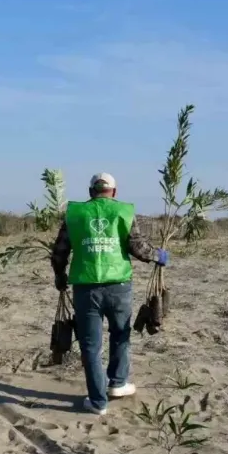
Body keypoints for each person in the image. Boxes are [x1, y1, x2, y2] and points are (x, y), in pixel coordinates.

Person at [50, 173, 169, 416]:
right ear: (114, 192)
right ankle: (117, 383)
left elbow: (60, 251)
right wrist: (159, 256)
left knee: (91, 346)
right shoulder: (123, 212)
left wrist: (60, 276)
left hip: (85, 289)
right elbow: (138, 247)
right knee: (120, 335)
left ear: (90, 191)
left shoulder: (75, 214)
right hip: (119, 287)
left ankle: (97, 401)